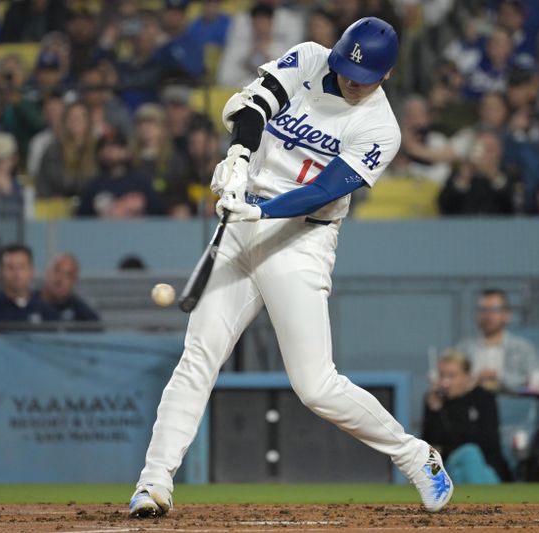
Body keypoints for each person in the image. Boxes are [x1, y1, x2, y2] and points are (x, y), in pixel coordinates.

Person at [129, 17, 453, 518]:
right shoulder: (309, 58)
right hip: (241, 219)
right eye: (346, 68)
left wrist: (257, 210)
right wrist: (238, 156)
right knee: (199, 355)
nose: (349, 80)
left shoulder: (380, 128)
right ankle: (154, 483)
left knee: (315, 384)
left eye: (362, 77)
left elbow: (326, 191)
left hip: (301, 239)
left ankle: (415, 455)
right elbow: (254, 106)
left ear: (385, 77)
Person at [423, 350, 511, 484]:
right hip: (447, 465)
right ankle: (487, 503)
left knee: (466, 464)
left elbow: (489, 442)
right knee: (469, 453)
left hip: (484, 465)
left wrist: (450, 444)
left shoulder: (483, 398)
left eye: (452, 376)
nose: (445, 382)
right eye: (442, 376)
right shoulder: (434, 401)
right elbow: (430, 448)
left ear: (467, 376)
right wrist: (437, 412)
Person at [455, 289, 539, 391]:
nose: (488, 315)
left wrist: (498, 376)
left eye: (494, 309)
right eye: (483, 310)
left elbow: (536, 380)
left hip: (513, 404)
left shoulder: (523, 348)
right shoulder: (463, 348)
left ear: (507, 315)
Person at [0, 244, 58, 323]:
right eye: (10, 267)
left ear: (31, 271)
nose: (17, 273)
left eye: (22, 267)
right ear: (0, 272)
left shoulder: (47, 313)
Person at [39, 253, 100, 322]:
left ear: (74, 281)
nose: (60, 279)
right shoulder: (28, 304)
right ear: (46, 272)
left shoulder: (84, 315)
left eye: (68, 275)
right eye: (57, 270)